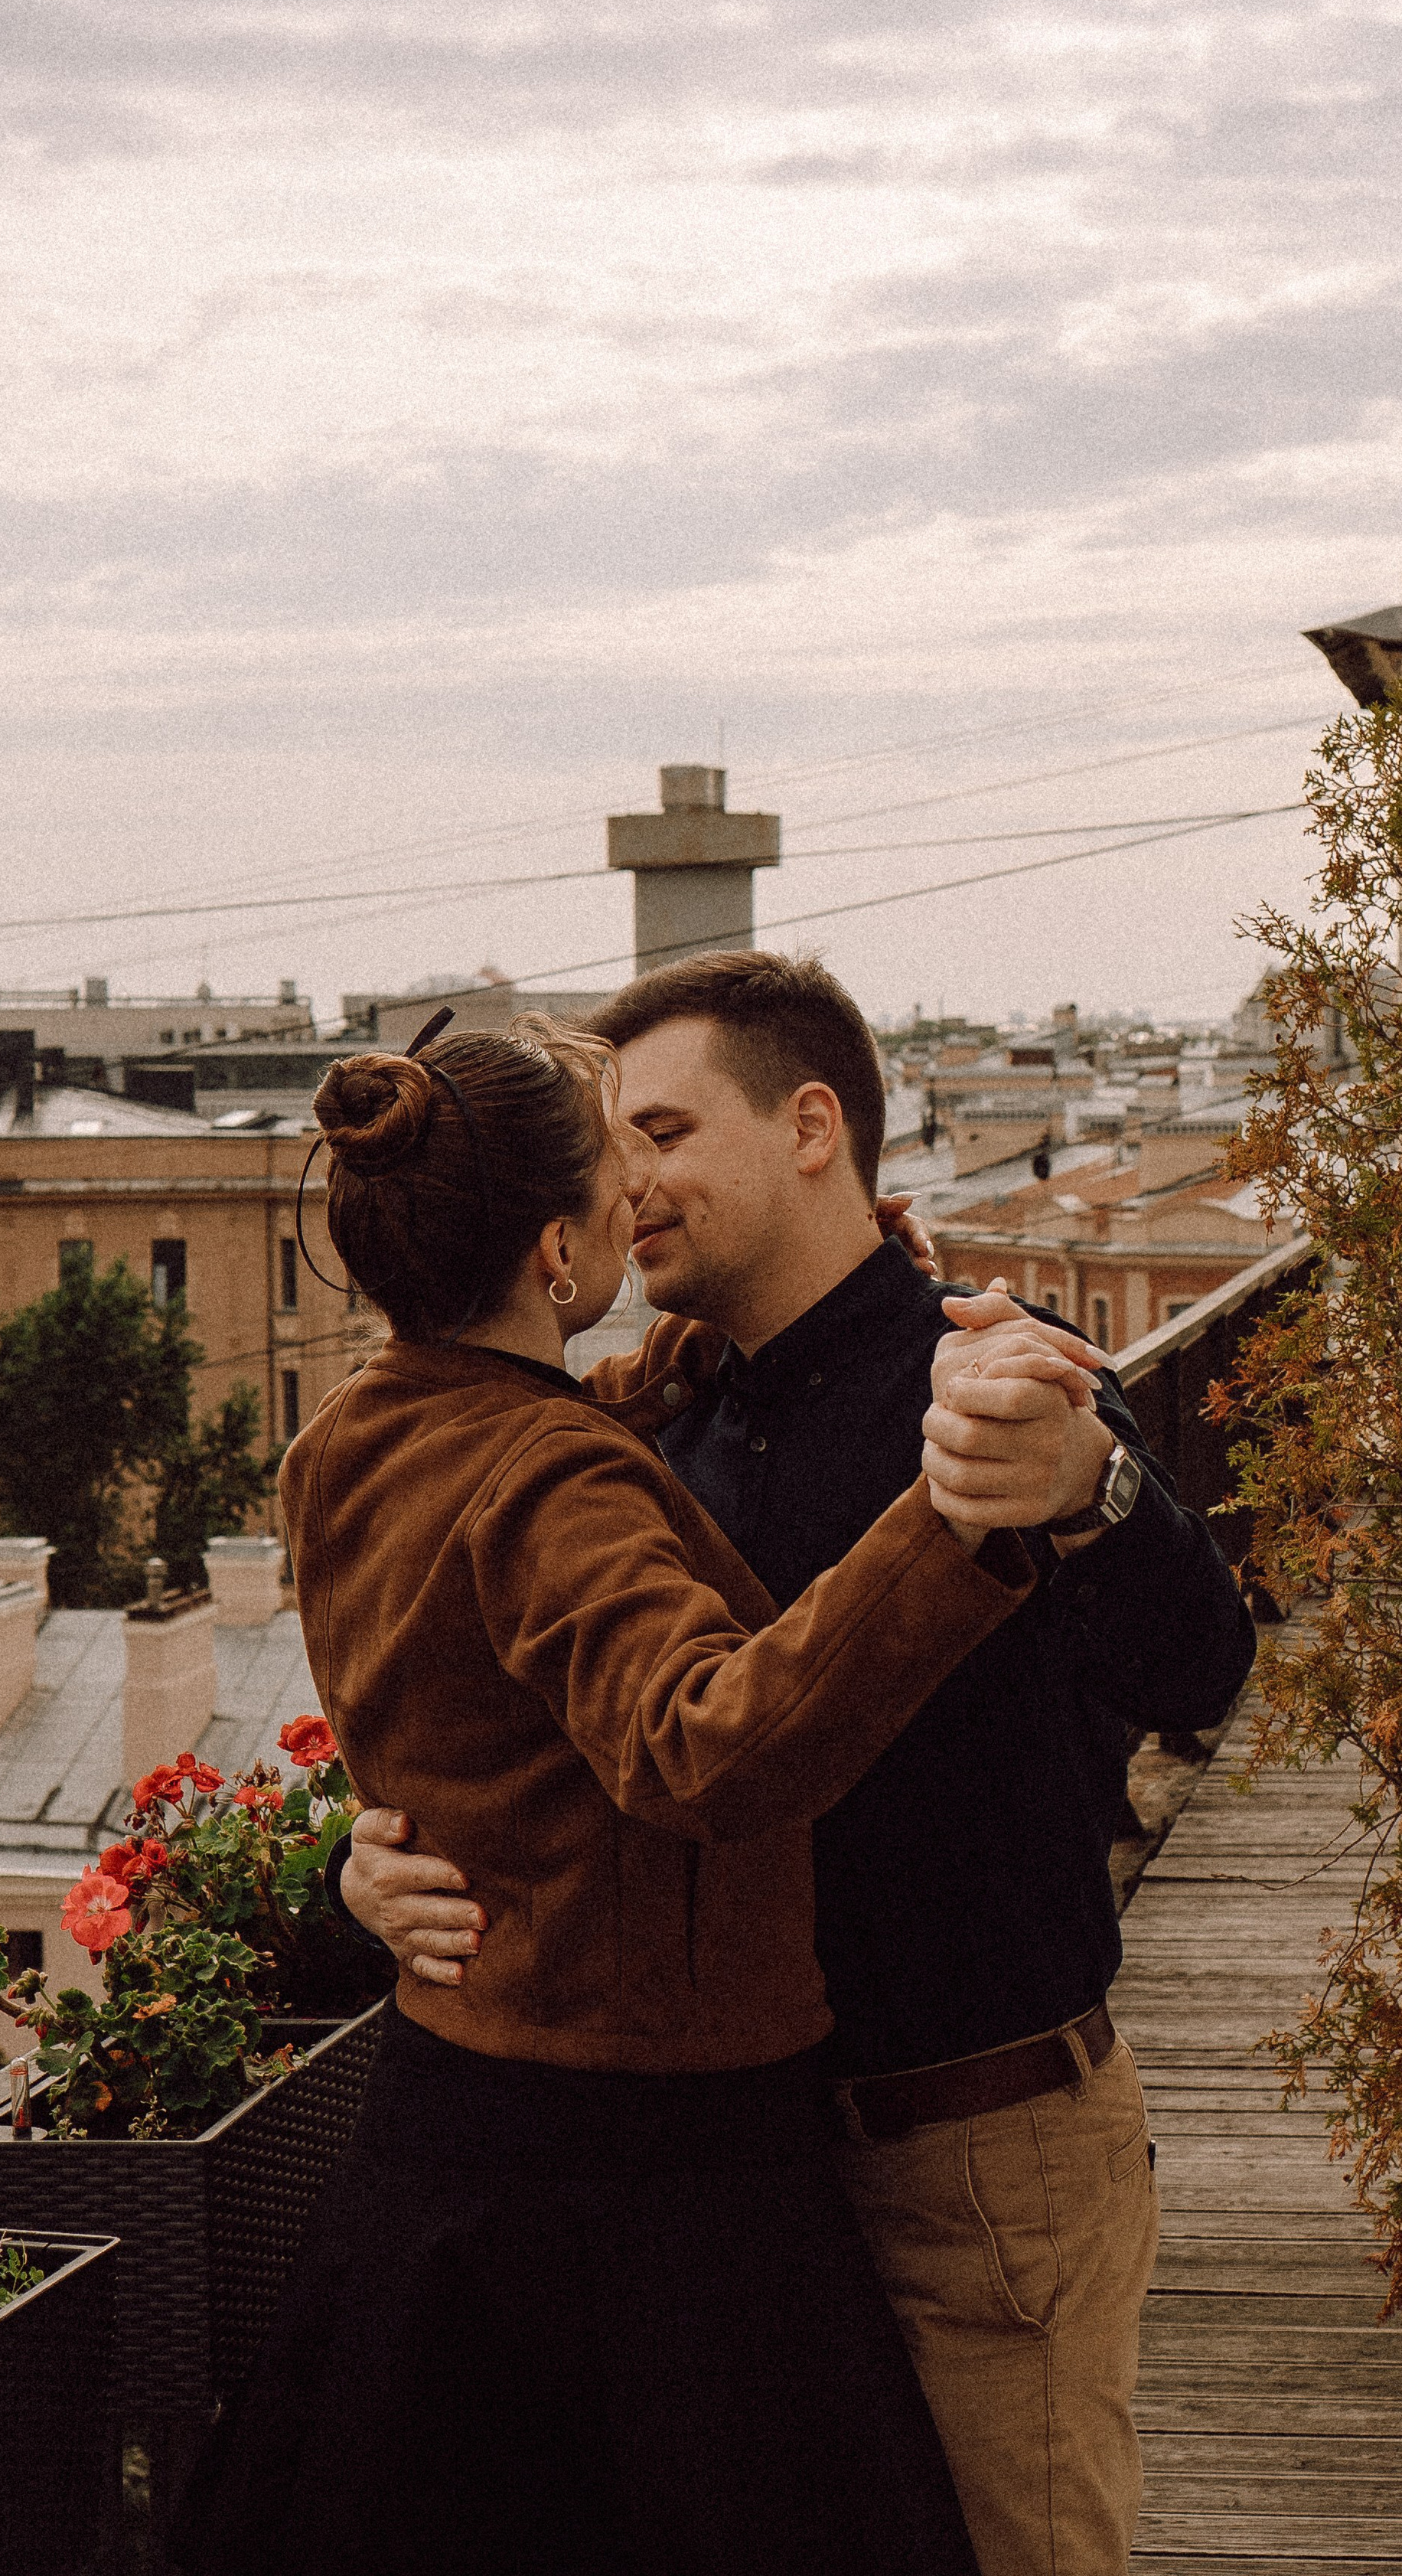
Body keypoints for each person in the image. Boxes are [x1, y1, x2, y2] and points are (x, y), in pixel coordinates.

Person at [342, 953, 1257, 2576]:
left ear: (811, 1127)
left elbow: (1200, 1670)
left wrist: (1089, 1487)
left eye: (665, 1132)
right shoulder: (648, 1425)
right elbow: (492, 1691)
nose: (626, 1182)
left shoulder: (988, 1373)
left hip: (969, 2163)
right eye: (609, 1147)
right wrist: (369, 1859)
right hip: (725, 2195)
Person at [173, 1020, 1101, 2576]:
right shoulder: (552, 1476)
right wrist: (950, 1525)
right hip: (652, 2182)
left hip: (443, 2131)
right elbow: (703, 1745)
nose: (640, 1201)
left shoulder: (345, 1441)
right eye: (617, 1177)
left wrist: (707, 1344)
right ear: (555, 1251)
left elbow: (522, 1435)